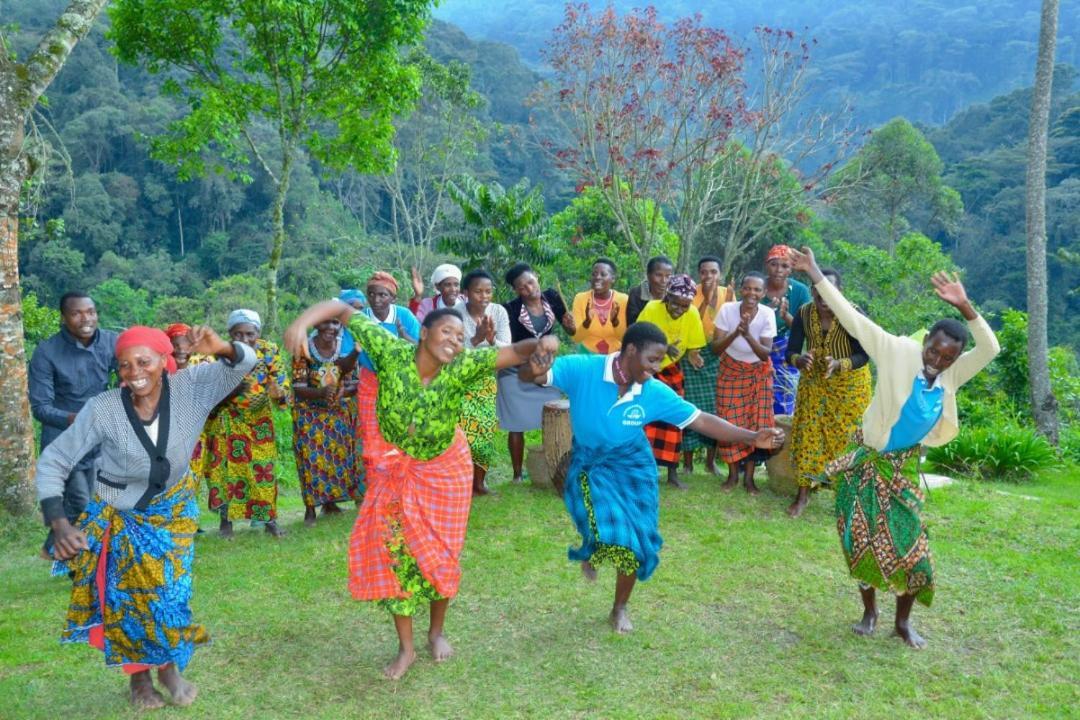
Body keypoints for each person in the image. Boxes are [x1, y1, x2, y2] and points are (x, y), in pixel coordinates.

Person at [284, 300, 560, 680]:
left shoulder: (462, 365)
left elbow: (514, 351)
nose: (454, 341)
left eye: (461, 337)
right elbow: (341, 309)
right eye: (447, 332)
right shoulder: (390, 350)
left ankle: (436, 632)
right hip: (396, 467)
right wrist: (301, 323)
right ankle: (407, 648)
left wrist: (545, 343)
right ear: (424, 333)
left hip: (446, 472)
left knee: (441, 553)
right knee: (396, 553)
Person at [788, 246, 999, 649]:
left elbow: (990, 349)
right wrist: (814, 271)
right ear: (926, 342)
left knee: (911, 548)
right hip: (865, 460)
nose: (938, 359)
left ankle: (903, 623)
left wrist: (967, 307)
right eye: (934, 349)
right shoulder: (898, 351)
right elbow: (853, 317)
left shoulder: (952, 376)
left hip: (900, 469)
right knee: (861, 541)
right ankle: (869, 611)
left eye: (948, 355)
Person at [37, 324, 256, 709]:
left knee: (172, 595)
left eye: (144, 362)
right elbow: (54, 460)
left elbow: (246, 364)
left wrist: (221, 346)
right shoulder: (103, 409)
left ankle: (169, 669)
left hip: (173, 514)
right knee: (128, 602)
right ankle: (140, 680)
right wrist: (59, 522)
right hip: (122, 516)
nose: (134, 372)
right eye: (124, 365)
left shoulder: (192, 388)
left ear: (164, 361)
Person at [520, 321, 784, 634]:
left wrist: (752, 436)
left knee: (636, 539)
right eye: (651, 360)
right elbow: (533, 377)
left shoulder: (654, 391)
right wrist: (535, 364)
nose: (656, 369)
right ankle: (596, 545)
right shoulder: (583, 368)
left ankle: (619, 608)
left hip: (633, 463)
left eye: (659, 362)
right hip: (590, 461)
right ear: (630, 350)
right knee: (600, 520)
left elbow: (700, 420)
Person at [29, 292, 118, 558]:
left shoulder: (112, 342)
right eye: (77, 313)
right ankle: (83, 565)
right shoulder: (47, 352)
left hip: (101, 438)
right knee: (82, 501)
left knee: (94, 499)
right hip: (64, 440)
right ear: (64, 317)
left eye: (90, 311)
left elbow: (131, 367)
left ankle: (52, 548)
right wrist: (78, 419)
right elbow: (41, 408)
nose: (86, 318)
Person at [784, 269, 872, 518]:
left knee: (849, 440)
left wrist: (839, 364)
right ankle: (802, 495)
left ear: (839, 292)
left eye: (830, 292)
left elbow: (864, 354)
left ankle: (849, 498)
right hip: (814, 382)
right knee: (807, 434)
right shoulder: (803, 313)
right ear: (812, 291)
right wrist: (799, 360)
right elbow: (790, 351)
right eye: (818, 291)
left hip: (849, 387)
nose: (824, 298)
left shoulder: (852, 314)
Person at [199, 309, 290, 538]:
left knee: (263, 471)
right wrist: (232, 392)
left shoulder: (269, 351)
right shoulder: (219, 355)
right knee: (223, 472)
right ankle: (225, 524)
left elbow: (281, 386)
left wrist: (279, 393)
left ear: (258, 332)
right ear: (229, 334)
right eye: (237, 334)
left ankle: (269, 521)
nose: (244, 339)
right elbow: (207, 395)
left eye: (249, 333)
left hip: (259, 422)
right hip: (225, 420)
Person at [498, 262, 576, 483]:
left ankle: (555, 466)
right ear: (516, 291)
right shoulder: (510, 309)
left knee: (554, 415)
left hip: (545, 368)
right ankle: (516, 475)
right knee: (516, 422)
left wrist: (571, 326)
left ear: (537, 277)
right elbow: (507, 343)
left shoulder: (553, 297)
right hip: (515, 369)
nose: (529, 289)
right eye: (522, 287)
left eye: (531, 282)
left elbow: (571, 330)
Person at [634, 274, 706, 489]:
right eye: (676, 304)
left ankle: (672, 473)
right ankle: (642, 471)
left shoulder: (692, 313)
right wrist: (663, 347)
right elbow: (637, 337)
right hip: (646, 370)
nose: (679, 310)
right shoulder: (651, 309)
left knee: (674, 419)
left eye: (684, 306)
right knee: (643, 421)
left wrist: (694, 356)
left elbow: (693, 345)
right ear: (667, 296)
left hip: (672, 371)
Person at [292, 316, 363, 526]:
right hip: (309, 412)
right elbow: (298, 387)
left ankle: (331, 505)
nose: (331, 328)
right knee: (310, 459)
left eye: (336, 323)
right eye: (326, 322)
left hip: (338, 412)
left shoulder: (345, 347)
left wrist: (344, 390)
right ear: (316, 324)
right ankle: (310, 509)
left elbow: (355, 382)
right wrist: (321, 392)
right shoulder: (303, 349)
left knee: (338, 459)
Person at [712, 272, 777, 494]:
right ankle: (732, 476)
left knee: (755, 425)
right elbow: (715, 348)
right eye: (748, 288)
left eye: (757, 290)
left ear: (764, 293)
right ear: (741, 290)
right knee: (728, 422)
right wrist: (735, 333)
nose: (752, 293)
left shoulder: (768, 314)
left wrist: (748, 335)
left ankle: (749, 479)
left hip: (758, 374)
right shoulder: (727, 310)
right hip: (730, 371)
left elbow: (765, 354)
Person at [353, 272, 422, 479]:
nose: (376, 300)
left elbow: (421, 352)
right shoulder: (360, 319)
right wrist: (355, 350)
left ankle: (402, 481)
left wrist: (405, 337)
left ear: (393, 298)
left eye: (383, 295)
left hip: (401, 384)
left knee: (401, 433)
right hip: (370, 384)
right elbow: (348, 353)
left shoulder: (405, 316)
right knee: (371, 433)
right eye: (372, 294)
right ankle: (377, 483)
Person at [680, 256, 735, 476]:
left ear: (719, 273)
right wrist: (706, 300)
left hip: (718, 355)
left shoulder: (728, 294)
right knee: (690, 406)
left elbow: (731, 325)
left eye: (713, 272)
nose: (708, 276)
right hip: (693, 352)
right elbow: (689, 321)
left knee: (715, 407)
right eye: (704, 272)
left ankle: (711, 462)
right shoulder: (691, 293)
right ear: (698, 274)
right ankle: (688, 463)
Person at [458, 269, 511, 495]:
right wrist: (476, 339)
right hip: (459, 380)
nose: (484, 296)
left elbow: (506, 348)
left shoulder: (498, 312)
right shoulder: (454, 314)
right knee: (460, 432)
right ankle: (460, 482)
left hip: (486, 379)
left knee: (484, 429)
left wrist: (490, 340)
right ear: (465, 293)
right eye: (478, 291)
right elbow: (450, 351)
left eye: (488, 291)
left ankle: (479, 483)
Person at [762, 244, 811, 415]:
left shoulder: (800, 291)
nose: (778, 270)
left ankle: (780, 436)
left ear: (791, 269)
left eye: (784, 266)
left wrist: (786, 316)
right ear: (766, 265)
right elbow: (744, 322)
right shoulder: (755, 287)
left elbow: (806, 329)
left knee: (783, 400)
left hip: (786, 353)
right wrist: (765, 311)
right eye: (774, 264)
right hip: (756, 349)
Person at [570, 257, 628, 354]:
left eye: (603, 274)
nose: (597, 277)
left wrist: (615, 322)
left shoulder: (623, 300)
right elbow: (577, 338)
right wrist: (587, 322)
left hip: (615, 356)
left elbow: (625, 338)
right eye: (594, 274)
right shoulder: (580, 299)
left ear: (613, 278)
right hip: (587, 355)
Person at [625, 255, 674, 325]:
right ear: (648, 275)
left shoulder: (674, 295)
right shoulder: (637, 294)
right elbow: (633, 324)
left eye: (668, 276)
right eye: (658, 275)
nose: (664, 280)